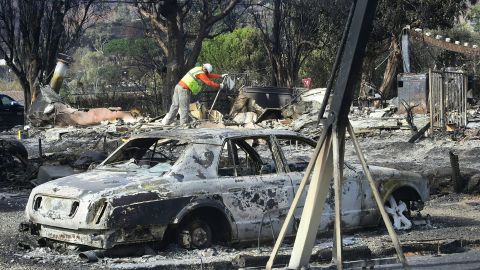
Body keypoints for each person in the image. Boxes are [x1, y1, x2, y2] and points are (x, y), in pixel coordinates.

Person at [162, 63, 227, 125]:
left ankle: (168, 121)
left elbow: (208, 75)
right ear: (205, 70)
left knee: (175, 105)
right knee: (184, 107)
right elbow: (208, 82)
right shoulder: (201, 73)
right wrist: (219, 86)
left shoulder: (198, 69)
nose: (206, 73)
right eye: (207, 72)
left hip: (178, 86)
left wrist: (220, 76)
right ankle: (184, 124)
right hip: (184, 89)